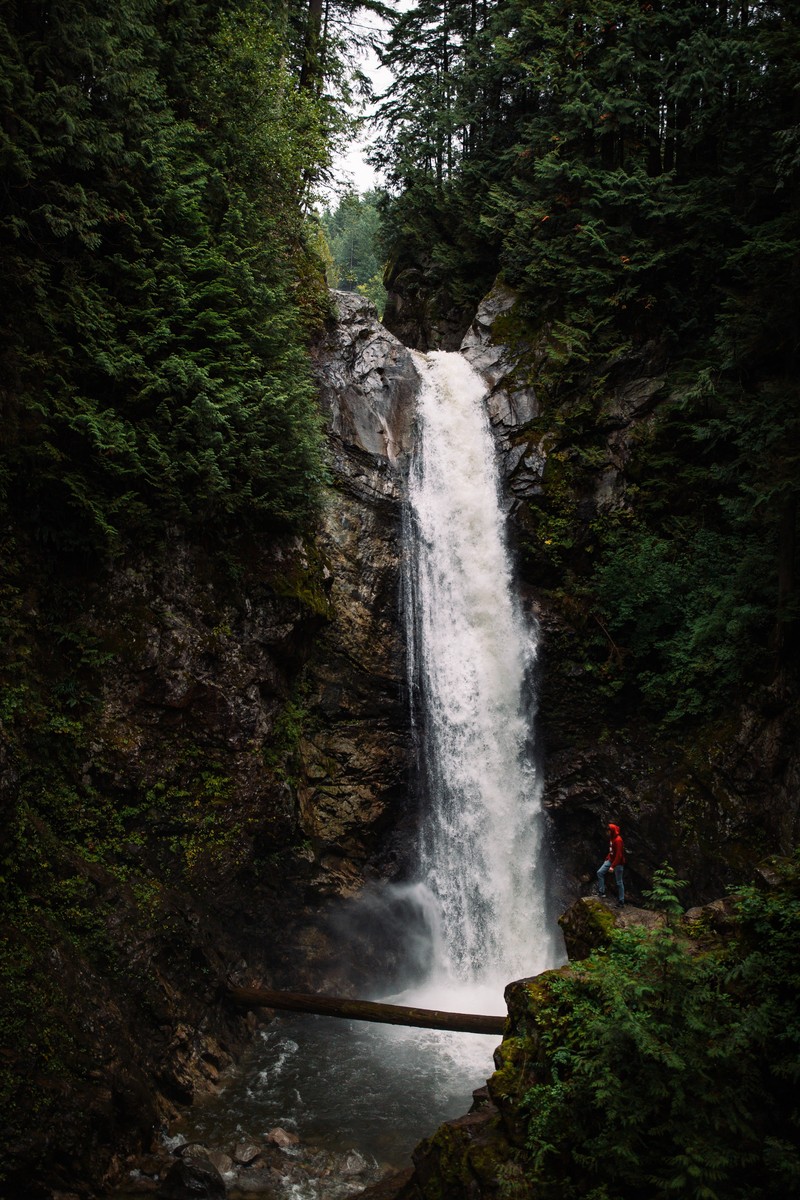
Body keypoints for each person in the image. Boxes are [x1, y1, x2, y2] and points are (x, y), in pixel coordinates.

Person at [597, 822, 625, 906]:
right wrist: (607, 858)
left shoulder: (618, 840)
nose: (607, 833)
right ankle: (601, 892)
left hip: (618, 863)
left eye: (608, 831)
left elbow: (619, 855)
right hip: (611, 860)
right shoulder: (612, 839)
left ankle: (621, 901)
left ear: (612, 831)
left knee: (619, 882)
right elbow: (611, 851)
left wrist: (612, 866)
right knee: (600, 872)